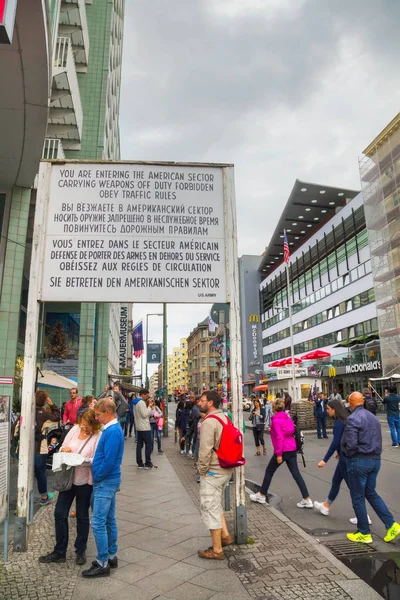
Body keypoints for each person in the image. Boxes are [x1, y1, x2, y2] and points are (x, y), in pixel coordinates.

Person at [39, 409, 102, 565]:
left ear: (93, 425)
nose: (83, 428)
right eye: (82, 425)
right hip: (68, 479)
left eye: (87, 426)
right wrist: (64, 450)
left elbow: (97, 458)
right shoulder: (75, 429)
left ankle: (80, 550)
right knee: (59, 513)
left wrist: (83, 460)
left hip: (85, 480)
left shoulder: (98, 436)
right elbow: (62, 446)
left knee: (82, 516)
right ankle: (59, 551)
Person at [342, 391, 400, 545]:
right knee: (371, 493)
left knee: (358, 496)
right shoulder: (373, 418)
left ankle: (364, 532)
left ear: (351, 402)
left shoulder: (352, 419)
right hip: (375, 460)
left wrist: (346, 454)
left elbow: (351, 444)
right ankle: (391, 524)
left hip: (359, 461)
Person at [82, 398, 124, 577]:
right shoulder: (112, 429)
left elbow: (108, 460)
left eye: (98, 415)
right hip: (109, 480)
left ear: (108, 412)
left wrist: (97, 474)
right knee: (108, 519)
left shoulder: (112, 431)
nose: (96, 418)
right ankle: (111, 556)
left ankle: (102, 562)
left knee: (98, 522)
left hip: (105, 481)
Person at [250, 398, 312, 508]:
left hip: (282, 450)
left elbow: (279, 438)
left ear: (274, 408)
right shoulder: (287, 419)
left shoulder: (275, 421)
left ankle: (262, 494)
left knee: (269, 471)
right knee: (296, 474)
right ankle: (306, 498)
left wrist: (278, 454)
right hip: (292, 448)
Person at [197, 390, 233, 560]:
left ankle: (217, 549)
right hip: (226, 469)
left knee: (210, 507)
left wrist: (201, 471)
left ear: (210, 403)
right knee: (216, 504)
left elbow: (204, 450)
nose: (199, 403)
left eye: (202, 400)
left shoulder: (209, 422)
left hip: (213, 470)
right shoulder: (225, 418)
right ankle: (225, 535)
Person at [35, 390, 60, 505]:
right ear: (45, 401)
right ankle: (44, 497)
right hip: (40, 447)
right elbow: (57, 417)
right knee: (41, 472)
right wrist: (52, 404)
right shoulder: (45, 414)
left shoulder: (27, 411)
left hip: (27, 447)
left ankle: (24, 497)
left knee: (29, 471)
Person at [132, 388, 155, 469]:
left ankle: (140, 462)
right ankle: (148, 462)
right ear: (143, 394)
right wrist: (149, 407)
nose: (147, 397)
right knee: (149, 444)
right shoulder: (141, 402)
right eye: (147, 395)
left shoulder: (134, 402)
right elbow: (144, 414)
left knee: (139, 445)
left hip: (138, 426)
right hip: (145, 427)